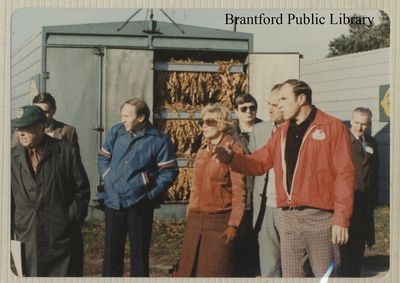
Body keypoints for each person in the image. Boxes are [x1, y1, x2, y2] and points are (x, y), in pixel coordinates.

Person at [213, 79, 355, 277]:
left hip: (320, 219)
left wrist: (341, 218)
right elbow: (259, 163)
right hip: (288, 218)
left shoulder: (333, 127)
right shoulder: (281, 132)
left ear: (302, 98)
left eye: (283, 99)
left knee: (326, 277)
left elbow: (345, 175)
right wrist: (232, 160)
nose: (278, 104)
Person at [97, 97, 179, 277]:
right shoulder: (116, 132)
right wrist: (107, 178)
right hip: (113, 203)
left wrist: (149, 196)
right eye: (122, 115)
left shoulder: (159, 140)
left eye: (127, 116)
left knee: (139, 255)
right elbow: (103, 158)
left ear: (141, 118)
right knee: (111, 254)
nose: (122, 120)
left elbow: (169, 172)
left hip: (140, 205)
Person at [11, 105, 90, 276]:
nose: (21, 133)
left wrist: (69, 218)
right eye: (18, 129)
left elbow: (81, 189)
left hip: (61, 236)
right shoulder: (11, 157)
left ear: (41, 127)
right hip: (27, 235)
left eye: (26, 128)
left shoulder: (65, 151)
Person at [176, 103, 246, 277]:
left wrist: (233, 224)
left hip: (219, 222)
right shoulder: (202, 150)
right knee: (188, 271)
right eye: (202, 122)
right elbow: (195, 188)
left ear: (221, 123)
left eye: (209, 122)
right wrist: (191, 210)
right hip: (195, 219)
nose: (203, 126)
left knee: (214, 272)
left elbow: (240, 192)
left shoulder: (233, 150)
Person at [249, 84, 284, 277]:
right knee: (269, 265)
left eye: (275, 105)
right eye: (268, 104)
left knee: (292, 264)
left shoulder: (298, 131)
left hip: (288, 207)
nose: (269, 109)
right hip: (264, 205)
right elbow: (252, 170)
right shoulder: (259, 130)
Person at [340, 107, 379, 277]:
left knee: (358, 251)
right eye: (356, 122)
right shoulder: (342, 141)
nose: (359, 127)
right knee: (344, 252)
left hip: (364, 206)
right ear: (350, 120)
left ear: (369, 124)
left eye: (364, 124)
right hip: (347, 203)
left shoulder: (372, 143)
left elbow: (375, 172)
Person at [231, 93, 262, 277]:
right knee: (239, 245)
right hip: (240, 196)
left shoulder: (267, 129)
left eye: (252, 108)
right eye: (244, 109)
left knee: (259, 246)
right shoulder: (229, 134)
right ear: (236, 111)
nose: (249, 112)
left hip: (262, 195)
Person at [12, 92, 79, 150]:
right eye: (37, 112)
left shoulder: (68, 131)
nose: (41, 116)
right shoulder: (20, 132)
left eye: (45, 112)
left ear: (54, 110)